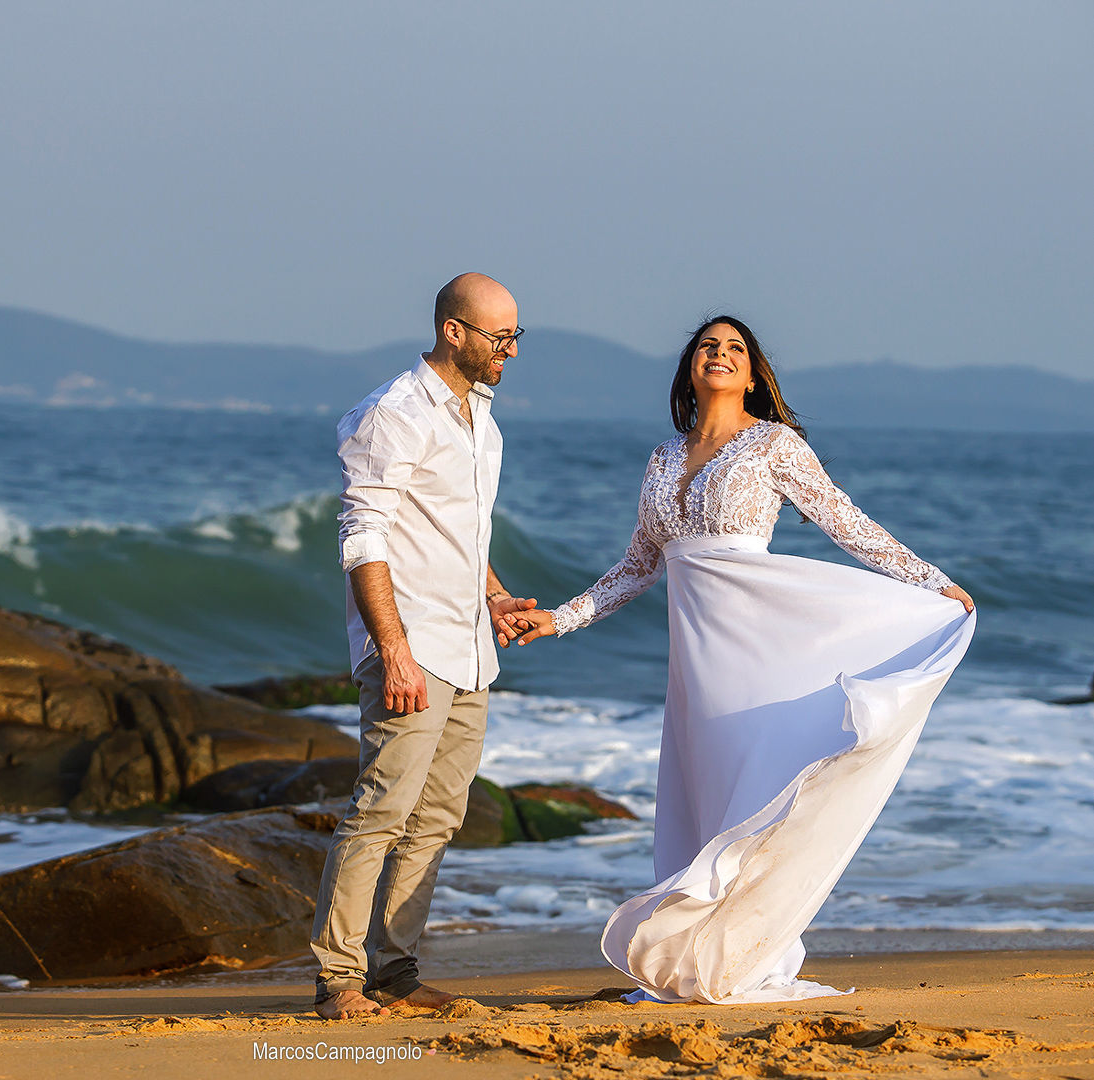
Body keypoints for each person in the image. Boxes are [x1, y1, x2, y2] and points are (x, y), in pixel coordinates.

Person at [498, 316, 976, 1004]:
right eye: (706, 346)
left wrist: (930, 583)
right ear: (689, 367)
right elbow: (637, 566)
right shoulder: (662, 457)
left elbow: (846, 523)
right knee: (703, 801)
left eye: (734, 350)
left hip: (761, 644)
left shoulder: (774, 444)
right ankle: (698, 954)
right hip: (695, 662)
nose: (718, 355)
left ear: (752, 374)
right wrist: (559, 619)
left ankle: (755, 954)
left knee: (752, 795)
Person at [310, 273, 533, 1020]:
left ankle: (396, 972)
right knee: (379, 811)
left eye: (514, 336)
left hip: (470, 648)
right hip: (414, 649)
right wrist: (393, 650)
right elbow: (362, 535)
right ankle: (337, 979)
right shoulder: (393, 415)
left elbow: (461, 539)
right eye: (498, 336)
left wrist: (495, 595)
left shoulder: (480, 418)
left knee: (436, 819)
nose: (509, 349)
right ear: (453, 332)